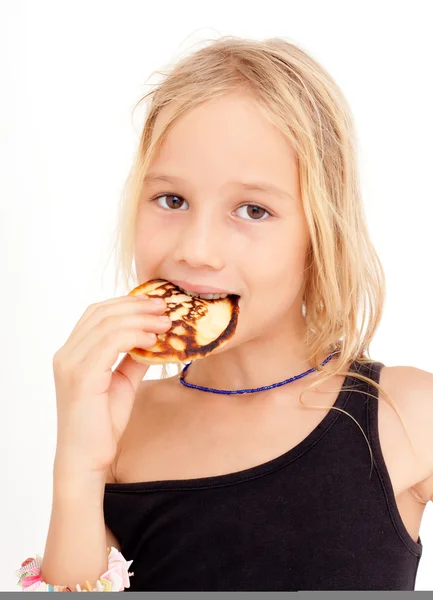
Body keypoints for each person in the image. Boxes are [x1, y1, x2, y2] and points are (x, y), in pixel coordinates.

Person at [16, 35, 433, 592]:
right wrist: (78, 466)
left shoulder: (405, 416)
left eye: (252, 210)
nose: (197, 249)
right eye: (171, 200)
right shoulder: (123, 428)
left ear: (321, 233)